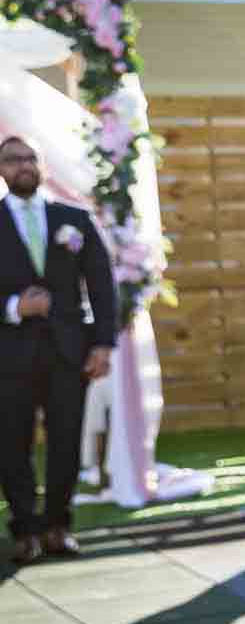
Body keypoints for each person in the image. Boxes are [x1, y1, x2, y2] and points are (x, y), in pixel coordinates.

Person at [1, 134, 115, 562]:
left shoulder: (76, 219)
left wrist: (103, 343)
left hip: (70, 352)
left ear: (42, 164)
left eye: (30, 157)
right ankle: (25, 530)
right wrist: (15, 307)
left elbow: (103, 285)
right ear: (1, 170)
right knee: (11, 446)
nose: (23, 165)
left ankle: (57, 527)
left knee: (66, 441)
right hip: (8, 357)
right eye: (12, 160)